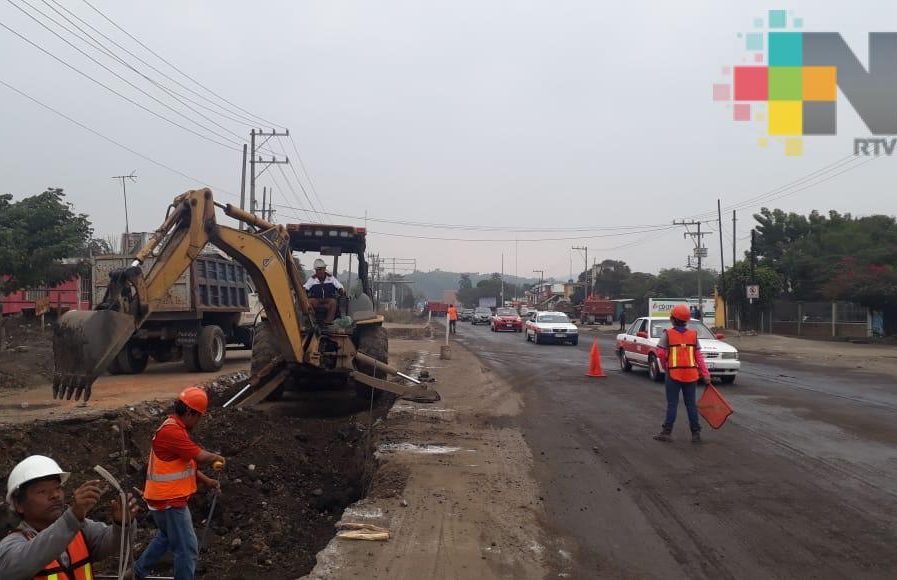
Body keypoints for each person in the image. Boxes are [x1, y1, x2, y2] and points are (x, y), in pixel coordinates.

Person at [134, 387, 225, 580]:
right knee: (187, 548)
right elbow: (200, 456)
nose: (198, 421)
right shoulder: (172, 432)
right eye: (198, 416)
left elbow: (185, 465)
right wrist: (218, 457)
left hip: (160, 499)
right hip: (169, 501)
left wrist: (207, 481)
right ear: (191, 412)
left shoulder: (174, 428)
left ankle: (137, 572)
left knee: (166, 537)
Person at [0, 455, 139, 580]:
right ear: (19, 505)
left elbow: (114, 544)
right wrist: (72, 517)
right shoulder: (9, 548)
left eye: (58, 488)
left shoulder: (80, 529)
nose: (55, 495)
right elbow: (33, 556)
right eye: (42, 491)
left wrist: (122, 525)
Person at [653, 304, 712, 444]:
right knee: (691, 405)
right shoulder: (693, 335)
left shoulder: (667, 334)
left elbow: (660, 353)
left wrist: (666, 366)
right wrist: (706, 374)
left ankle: (667, 432)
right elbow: (699, 357)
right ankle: (696, 433)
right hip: (691, 375)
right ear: (686, 320)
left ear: (672, 319)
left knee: (672, 404)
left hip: (673, 374)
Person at [304, 258, 345, 323]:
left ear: (324, 269)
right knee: (308, 302)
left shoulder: (331, 278)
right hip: (316, 301)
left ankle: (328, 322)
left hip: (327, 301)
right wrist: (304, 292)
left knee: (333, 302)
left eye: (320, 269)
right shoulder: (312, 279)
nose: (319, 271)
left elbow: (339, 286)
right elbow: (305, 288)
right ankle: (312, 322)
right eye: (317, 270)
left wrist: (341, 290)